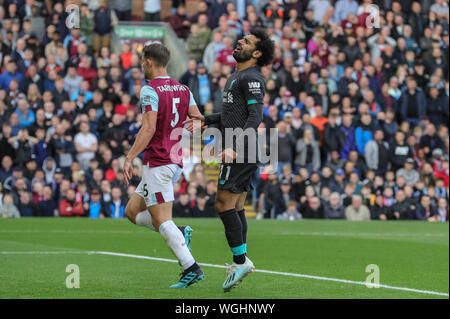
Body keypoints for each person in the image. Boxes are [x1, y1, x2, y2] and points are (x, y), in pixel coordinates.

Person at [184, 29, 275, 291]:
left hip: (242, 148)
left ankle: (240, 261)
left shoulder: (252, 77)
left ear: (257, 53)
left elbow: (255, 117)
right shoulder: (237, 76)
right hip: (243, 147)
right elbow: (230, 116)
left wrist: (235, 147)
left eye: (246, 42)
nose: (240, 42)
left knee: (222, 203)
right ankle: (241, 260)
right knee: (234, 205)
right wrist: (205, 120)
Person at [122, 43, 205, 288]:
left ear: (148, 61)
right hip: (174, 161)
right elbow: (199, 121)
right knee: (132, 212)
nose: (140, 65)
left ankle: (191, 267)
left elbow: (148, 129)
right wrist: (194, 126)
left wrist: (129, 157)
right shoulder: (183, 88)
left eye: (141, 61)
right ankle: (179, 232)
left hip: (159, 161)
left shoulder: (150, 90)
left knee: (162, 219)